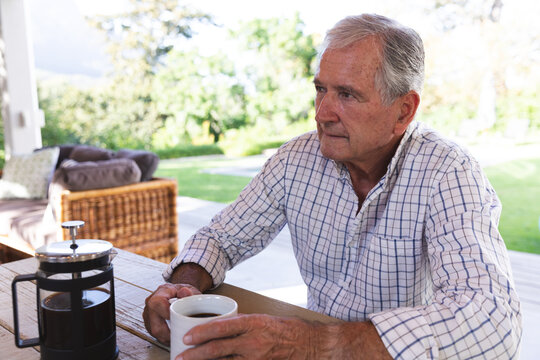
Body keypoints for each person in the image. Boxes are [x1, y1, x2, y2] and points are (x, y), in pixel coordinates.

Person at [143, 13, 522, 359]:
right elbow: (222, 238)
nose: (321, 113)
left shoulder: (448, 172)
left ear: (403, 110)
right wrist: (181, 287)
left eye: (346, 94)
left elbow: (490, 318)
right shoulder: (297, 159)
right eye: (321, 89)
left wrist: (313, 343)